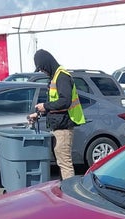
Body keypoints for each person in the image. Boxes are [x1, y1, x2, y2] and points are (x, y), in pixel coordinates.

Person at [29, 49, 85, 180]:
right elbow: (54, 104)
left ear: (47, 64)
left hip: (64, 127)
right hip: (57, 126)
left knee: (65, 164)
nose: (43, 71)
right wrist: (38, 113)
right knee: (61, 163)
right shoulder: (55, 77)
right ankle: (65, 190)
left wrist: (45, 106)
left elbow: (65, 101)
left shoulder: (62, 77)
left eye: (43, 68)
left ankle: (69, 194)